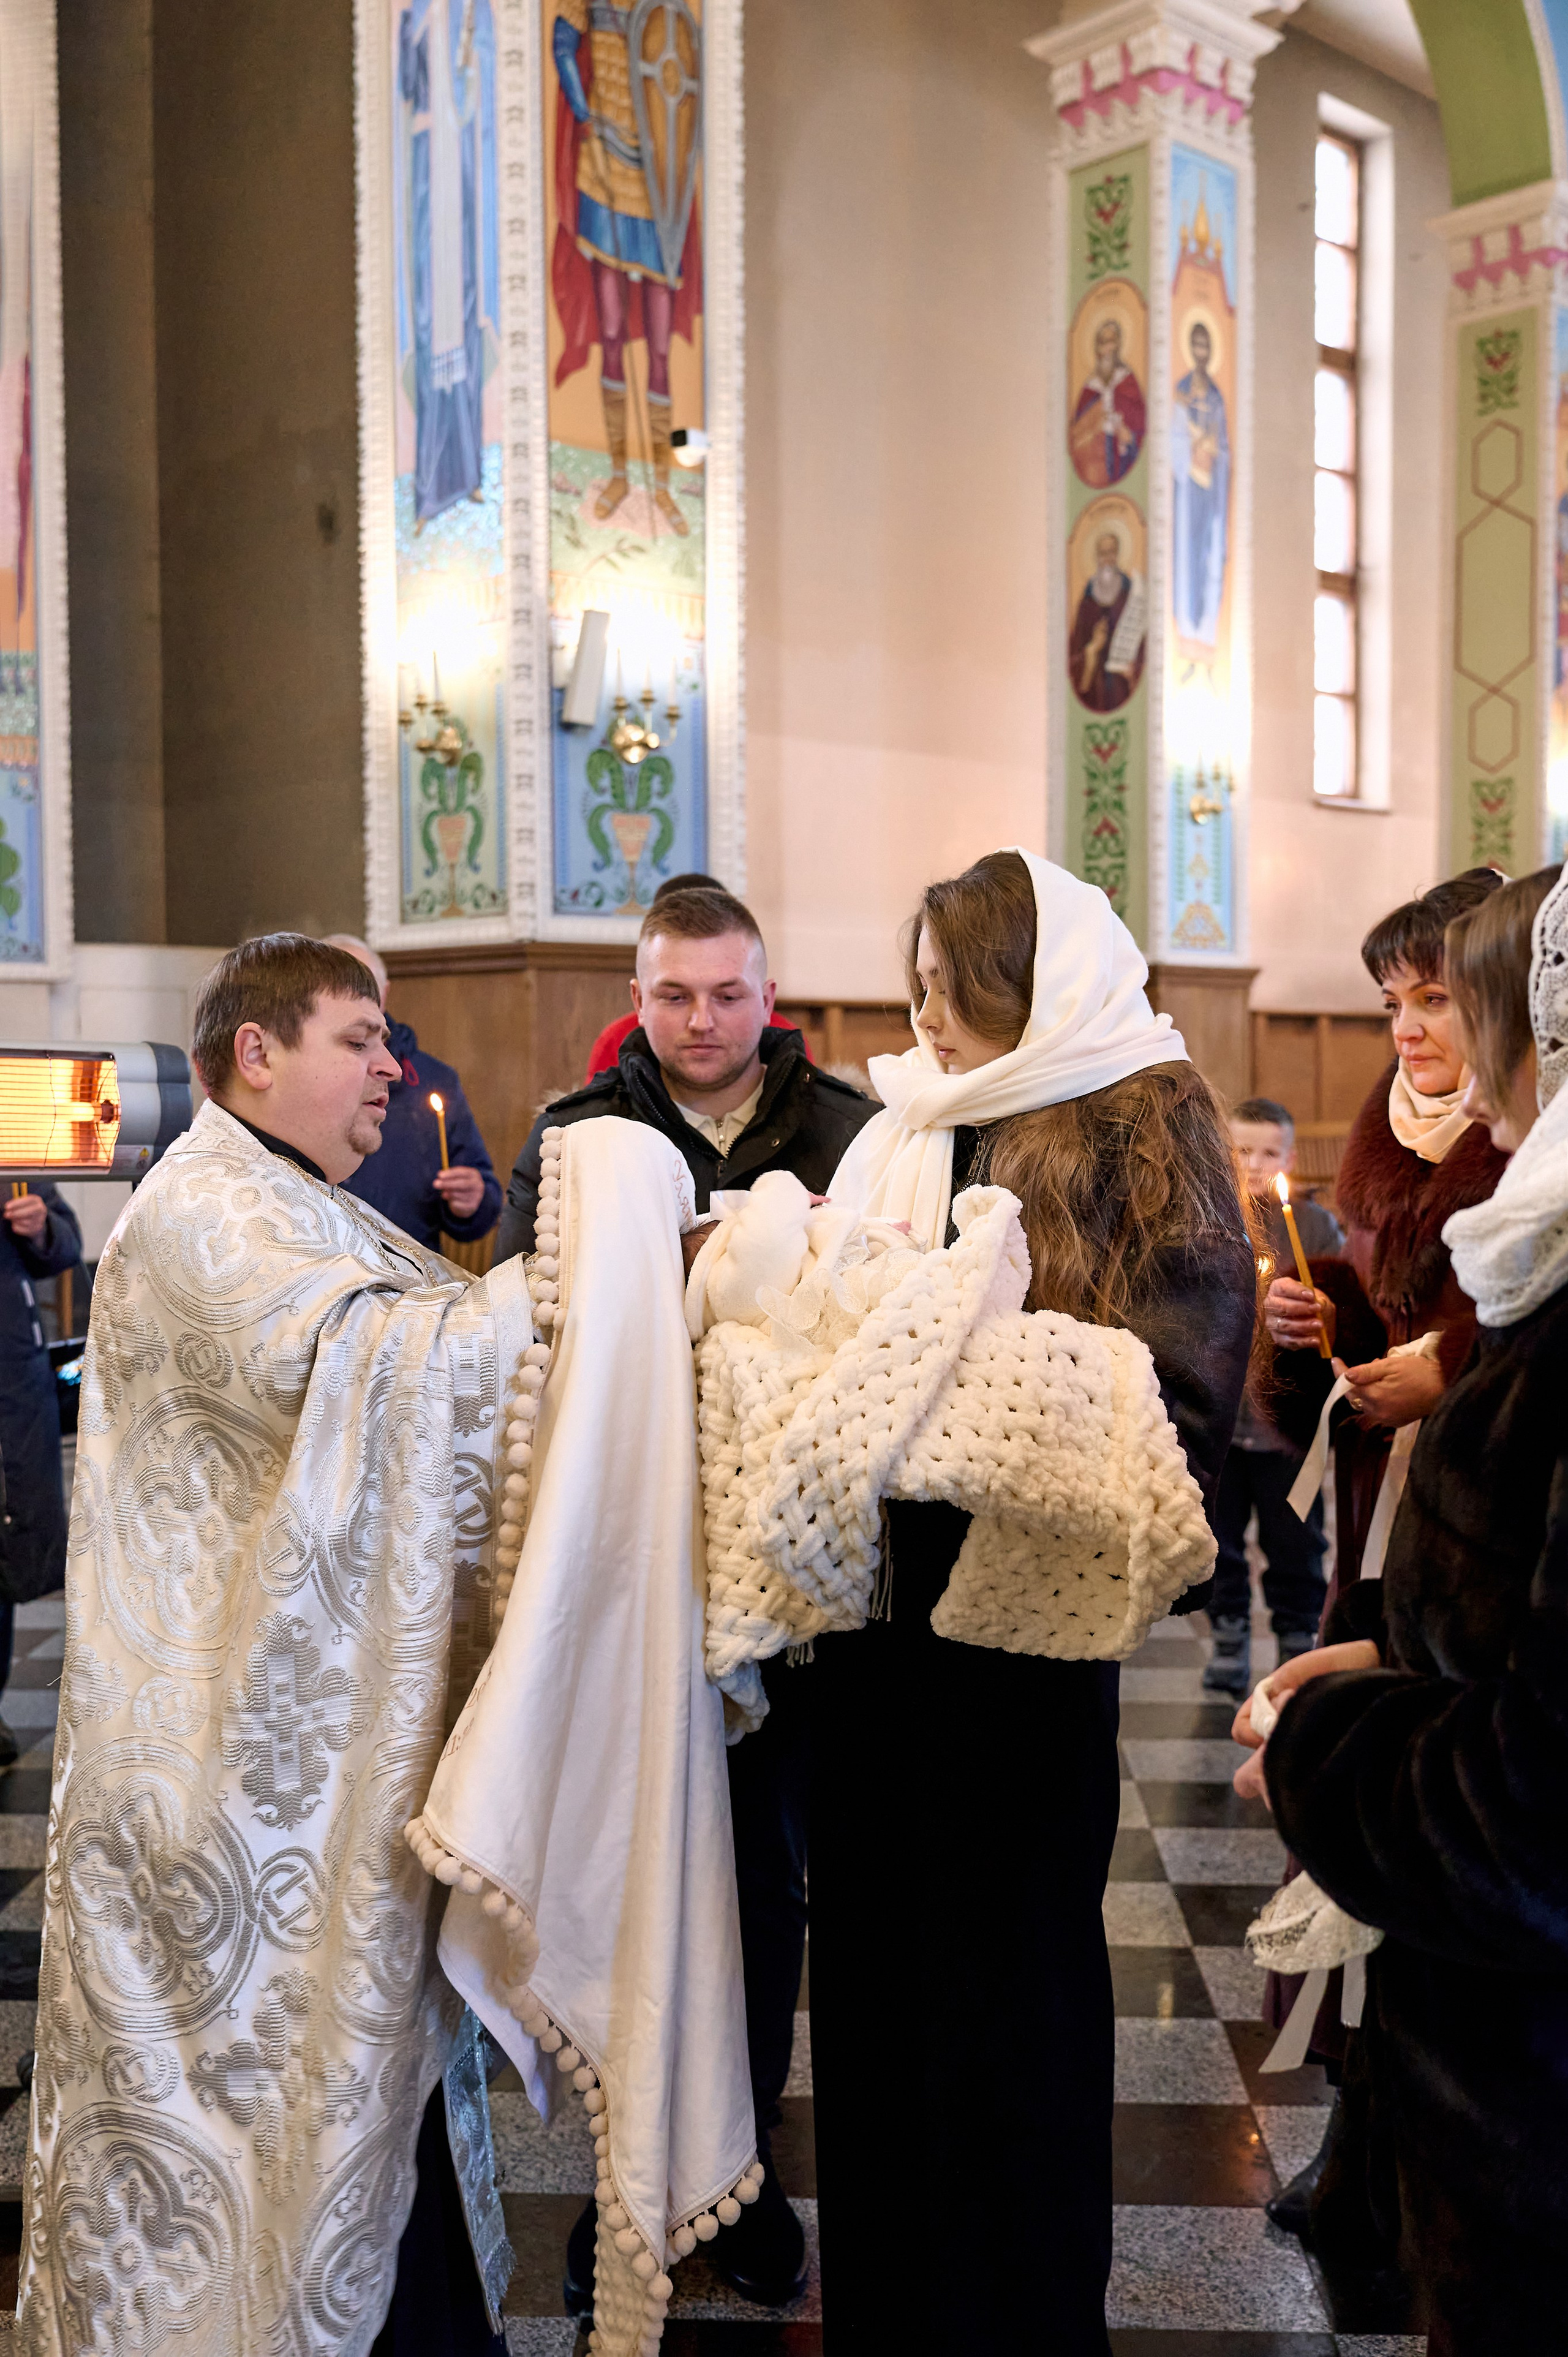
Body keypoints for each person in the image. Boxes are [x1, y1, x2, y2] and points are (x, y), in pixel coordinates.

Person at [18, 937, 527, 2356]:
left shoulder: (293, 1202)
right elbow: (370, 1359)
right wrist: (573, 1294)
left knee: (363, 2121)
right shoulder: (203, 1212)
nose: (390, 1065)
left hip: (298, 1784)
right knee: (255, 2153)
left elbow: (409, 1332)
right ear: (258, 1051)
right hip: (215, 1800)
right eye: (360, 1037)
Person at [807, 850, 1255, 2353]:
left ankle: (1020, 2307)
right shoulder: (899, 1131)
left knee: (1011, 1987)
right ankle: (891, 2302)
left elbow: (1173, 1403)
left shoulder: (1140, 1117)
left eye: (951, 983)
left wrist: (920, 1368)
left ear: (1028, 979)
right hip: (866, 1632)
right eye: (915, 980)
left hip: (1017, 1641)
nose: (923, 1012)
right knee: (868, 1977)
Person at [496, 882, 876, 2315]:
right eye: (673, 995)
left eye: (727, 993)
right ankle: (632, 2189)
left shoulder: (846, 1128)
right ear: (638, 992)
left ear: (766, 990)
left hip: (789, 1582)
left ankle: (745, 2171)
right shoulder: (573, 1134)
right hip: (628, 1568)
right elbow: (528, 1318)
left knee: (766, 1896)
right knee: (622, 1874)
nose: (702, 1021)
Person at [1235, 862, 1568, 2356]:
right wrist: (1387, 1642)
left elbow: (1532, 1806)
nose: (1430, 1044)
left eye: (1457, 1008)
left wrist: (1325, 1749)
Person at [1204, 1097, 1343, 1699]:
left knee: (1295, 1538)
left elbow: (1337, 1306)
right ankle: (1229, 1637)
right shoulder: (1207, 1215)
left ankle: (1295, 1638)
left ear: (1288, 1157)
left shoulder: (1312, 1226)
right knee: (1219, 1538)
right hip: (1221, 1416)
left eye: (1269, 1152)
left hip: (1287, 1421)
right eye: (1243, 1151)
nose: (1256, 1163)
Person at [326, 934, 502, 1251]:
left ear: (386, 992)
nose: (354, 1000)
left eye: (365, 986)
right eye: (339, 987)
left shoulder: (435, 1080)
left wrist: (472, 1201)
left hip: (412, 1276)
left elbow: (481, 1203)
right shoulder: (305, 1077)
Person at [0, 1180, 80, 1762]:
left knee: (5, 1544)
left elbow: (66, 1245)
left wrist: (42, 1227)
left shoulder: (15, 1141)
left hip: (8, 1373)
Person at [583, 872, 807, 1080]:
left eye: (728, 998)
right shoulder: (616, 1039)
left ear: (767, 1002)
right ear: (639, 1002)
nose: (701, 1024)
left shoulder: (789, 1040)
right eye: (675, 998)